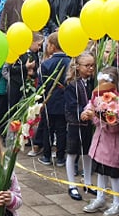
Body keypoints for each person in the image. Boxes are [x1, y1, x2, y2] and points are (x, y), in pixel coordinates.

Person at [84, 67, 119, 216]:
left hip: (114, 145)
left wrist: (96, 117)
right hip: (101, 143)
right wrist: (87, 111)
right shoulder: (100, 98)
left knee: (114, 173)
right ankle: (100, 198)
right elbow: (91, 104)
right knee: (101, 171)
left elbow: (114, 126)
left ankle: (118, 202)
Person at [63, 52, 96, 202]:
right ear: (77, 66)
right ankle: (72, 185)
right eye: (87, 65)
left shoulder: (92, 82)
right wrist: (82, 112)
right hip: (75, 124)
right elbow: (71, 105)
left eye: (92, 65)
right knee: (72, 153)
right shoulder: (71, 85)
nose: (91, 68)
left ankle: (87, 182)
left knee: (88, 153)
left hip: (88, 123)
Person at [38, 33, 70, 166]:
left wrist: (39, 102)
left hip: (49, 102)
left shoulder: (46, 64)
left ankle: (47, 156)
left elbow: (41, 86)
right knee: (62, 130)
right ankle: (61, 157)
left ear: (52, 46)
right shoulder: (70, 63)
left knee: (48, 129)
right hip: (64, 102)